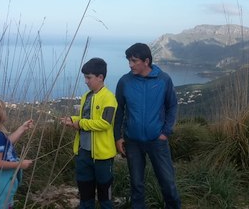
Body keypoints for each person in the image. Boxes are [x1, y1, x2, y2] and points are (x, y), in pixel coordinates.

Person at [114, 43, 181, 209]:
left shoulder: (163, 79)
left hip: (157, 141)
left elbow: (172, 106)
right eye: (129, 60)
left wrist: (165, 132)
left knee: (168, 183)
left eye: (134, 61)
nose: (130, 64)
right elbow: (119, 110)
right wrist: (118, 137)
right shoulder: (124, 81)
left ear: (146, 61)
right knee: (137, 185)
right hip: (133, 142)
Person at [60, 57, 118, 209]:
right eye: (85, 77)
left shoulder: (109, 98)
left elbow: (105, 123)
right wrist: (72, 120)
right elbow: (85, 118)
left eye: (88, 77)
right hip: (83, 152)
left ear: (100, 77)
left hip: (102, 155)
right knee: (85, 193)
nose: (86, 81)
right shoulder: (87, 96)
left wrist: (80, 124)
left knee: (105, 195)